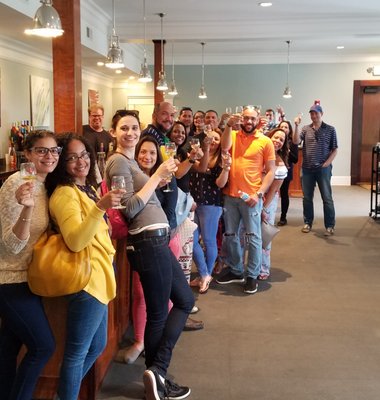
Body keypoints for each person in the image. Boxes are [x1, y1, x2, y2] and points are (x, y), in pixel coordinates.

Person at [105, 110, 194, 400]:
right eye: (123, 128)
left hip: (158, 238)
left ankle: (156, 372)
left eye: (134, 127)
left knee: (184, 300)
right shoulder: (117, 161)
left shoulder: (129, 161)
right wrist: (156, 176)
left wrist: (159, 178)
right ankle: (158, 374)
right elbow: (128, 208)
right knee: (158, 314)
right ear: (113, 132)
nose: (130, 133)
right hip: (146, 241)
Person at [45, 133, 122, 400]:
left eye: (84, 155)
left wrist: (101, 216)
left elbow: (92, 226)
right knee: (76, 353)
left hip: (99, 276)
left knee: (96, 345)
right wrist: (100, 208)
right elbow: (76, 241)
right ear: (62, 163)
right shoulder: (65, 194)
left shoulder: (84, 188)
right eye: (72, 157)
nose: (81, 162)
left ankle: (63, 394)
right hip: (86, 280)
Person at [0, 130, 58, 400]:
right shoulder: (17, 184)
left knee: (8, 349)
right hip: (9, 278)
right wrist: (25, 208)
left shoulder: (46, 184)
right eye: (41, 150)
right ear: (28, 154)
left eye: (54, 150)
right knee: (42, 346)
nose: (50, 155)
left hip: (27, 277)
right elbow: (11, 245)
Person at [216, 106, 276, 294]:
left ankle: (252, 275)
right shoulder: (233, 135)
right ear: (241, 119)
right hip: (231, 196)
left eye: (252, 119)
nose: (248, 122)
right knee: (231, 237)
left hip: (251, 198)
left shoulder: (265, 141)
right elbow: (224, 147)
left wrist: (258, 194)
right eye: (245, 118)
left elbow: (271, 171)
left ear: (258, 120)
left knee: (254, 238)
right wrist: (228, 126)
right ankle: (236, 270)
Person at [189, 129, 231, 293]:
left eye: (216, 139)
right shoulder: (199, 154)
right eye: (209, 138)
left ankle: (204, 275)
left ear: (221, 142)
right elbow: (196, 169)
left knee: (208, 241)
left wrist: (226, 169)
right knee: (191, 241)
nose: (212, 141)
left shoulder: (222, 159)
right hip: (193, 202)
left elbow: (220, 184)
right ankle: (205, 273)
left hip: (211, 204)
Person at [292, 102, 338, 235]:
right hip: (307, 169)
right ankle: (308, 222)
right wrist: (296, 125)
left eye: (316, 113)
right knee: (307, 198)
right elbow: (295, 141)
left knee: (327, 198)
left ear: (321, 114)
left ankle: (330, 226)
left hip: (323, 170)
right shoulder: (305, 129)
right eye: (311, 113)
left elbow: (335, 149)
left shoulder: (330, 129)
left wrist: (327, 163)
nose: (313, 115)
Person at [259, 128, 288, 280]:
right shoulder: (259, 154)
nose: (277, 141)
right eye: (276, 137)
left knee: (264, 234)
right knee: (244, 233)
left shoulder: (280, 164)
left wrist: (264, 208)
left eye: (281, 140)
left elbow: (273, 189)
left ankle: (263, 268)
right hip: (252, 197)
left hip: (267, 200)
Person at [277, 119, 299, 226]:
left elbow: (295, 159)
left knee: (284, 194)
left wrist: (288, 150)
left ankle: (283, 217)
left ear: (289, 130)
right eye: (282, 126)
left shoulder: (292, 142)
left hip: (286, 172)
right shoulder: (276, 140)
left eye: (286, 127)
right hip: (274, 170)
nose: (284, 129)